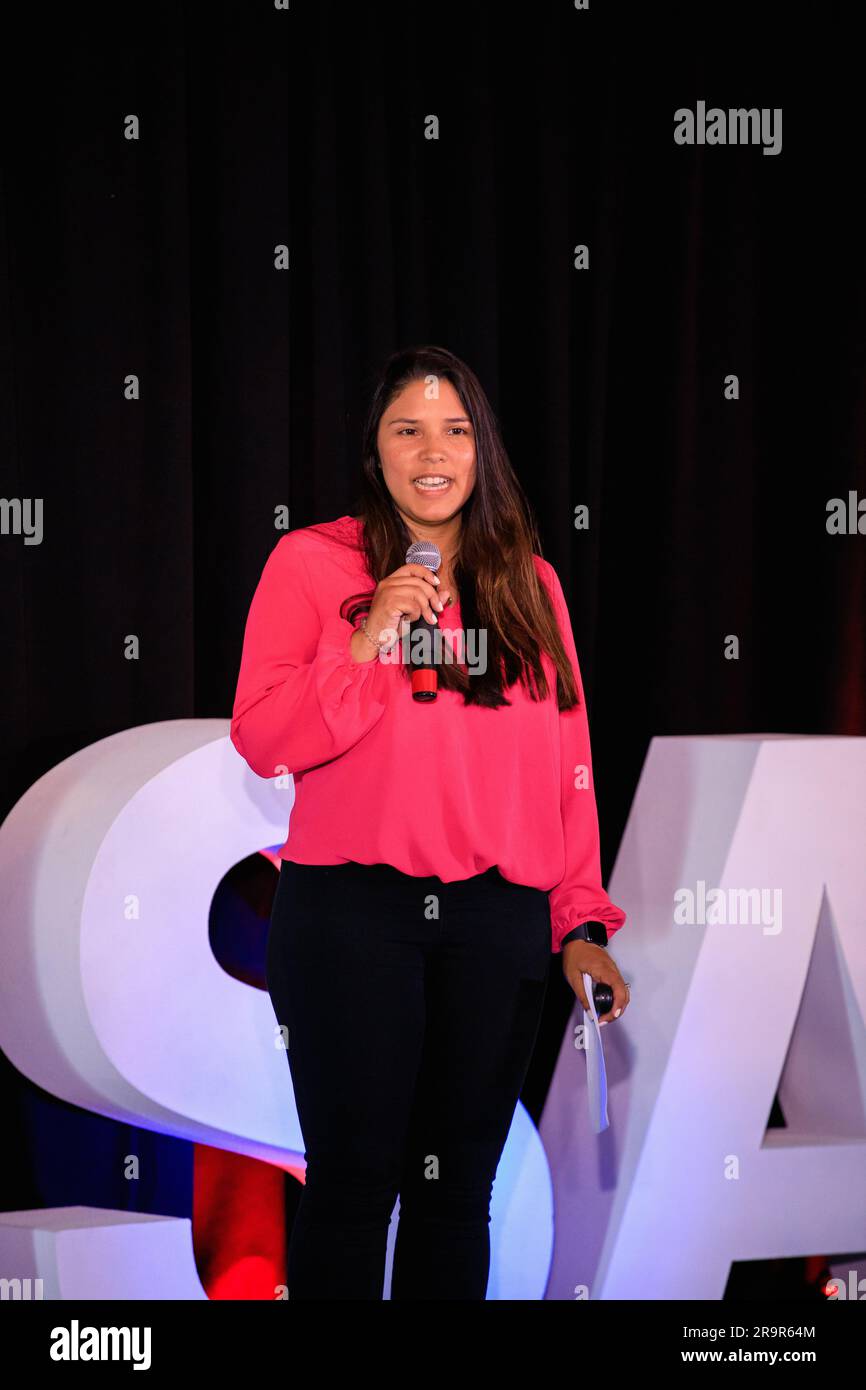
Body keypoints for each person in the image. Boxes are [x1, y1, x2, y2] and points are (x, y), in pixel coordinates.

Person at [230, 344, 629, 1300]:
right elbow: (262, 737)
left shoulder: (531, 587)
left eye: (455, 430)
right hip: (351, 919)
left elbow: (566, 770)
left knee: (457, 1198)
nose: (433, 450)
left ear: (482, 451)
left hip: (495, 931)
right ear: (377, 450)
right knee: (355, 1191)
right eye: (408, 429)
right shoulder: (311, 563)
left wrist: (578, 920)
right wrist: (367, 643)